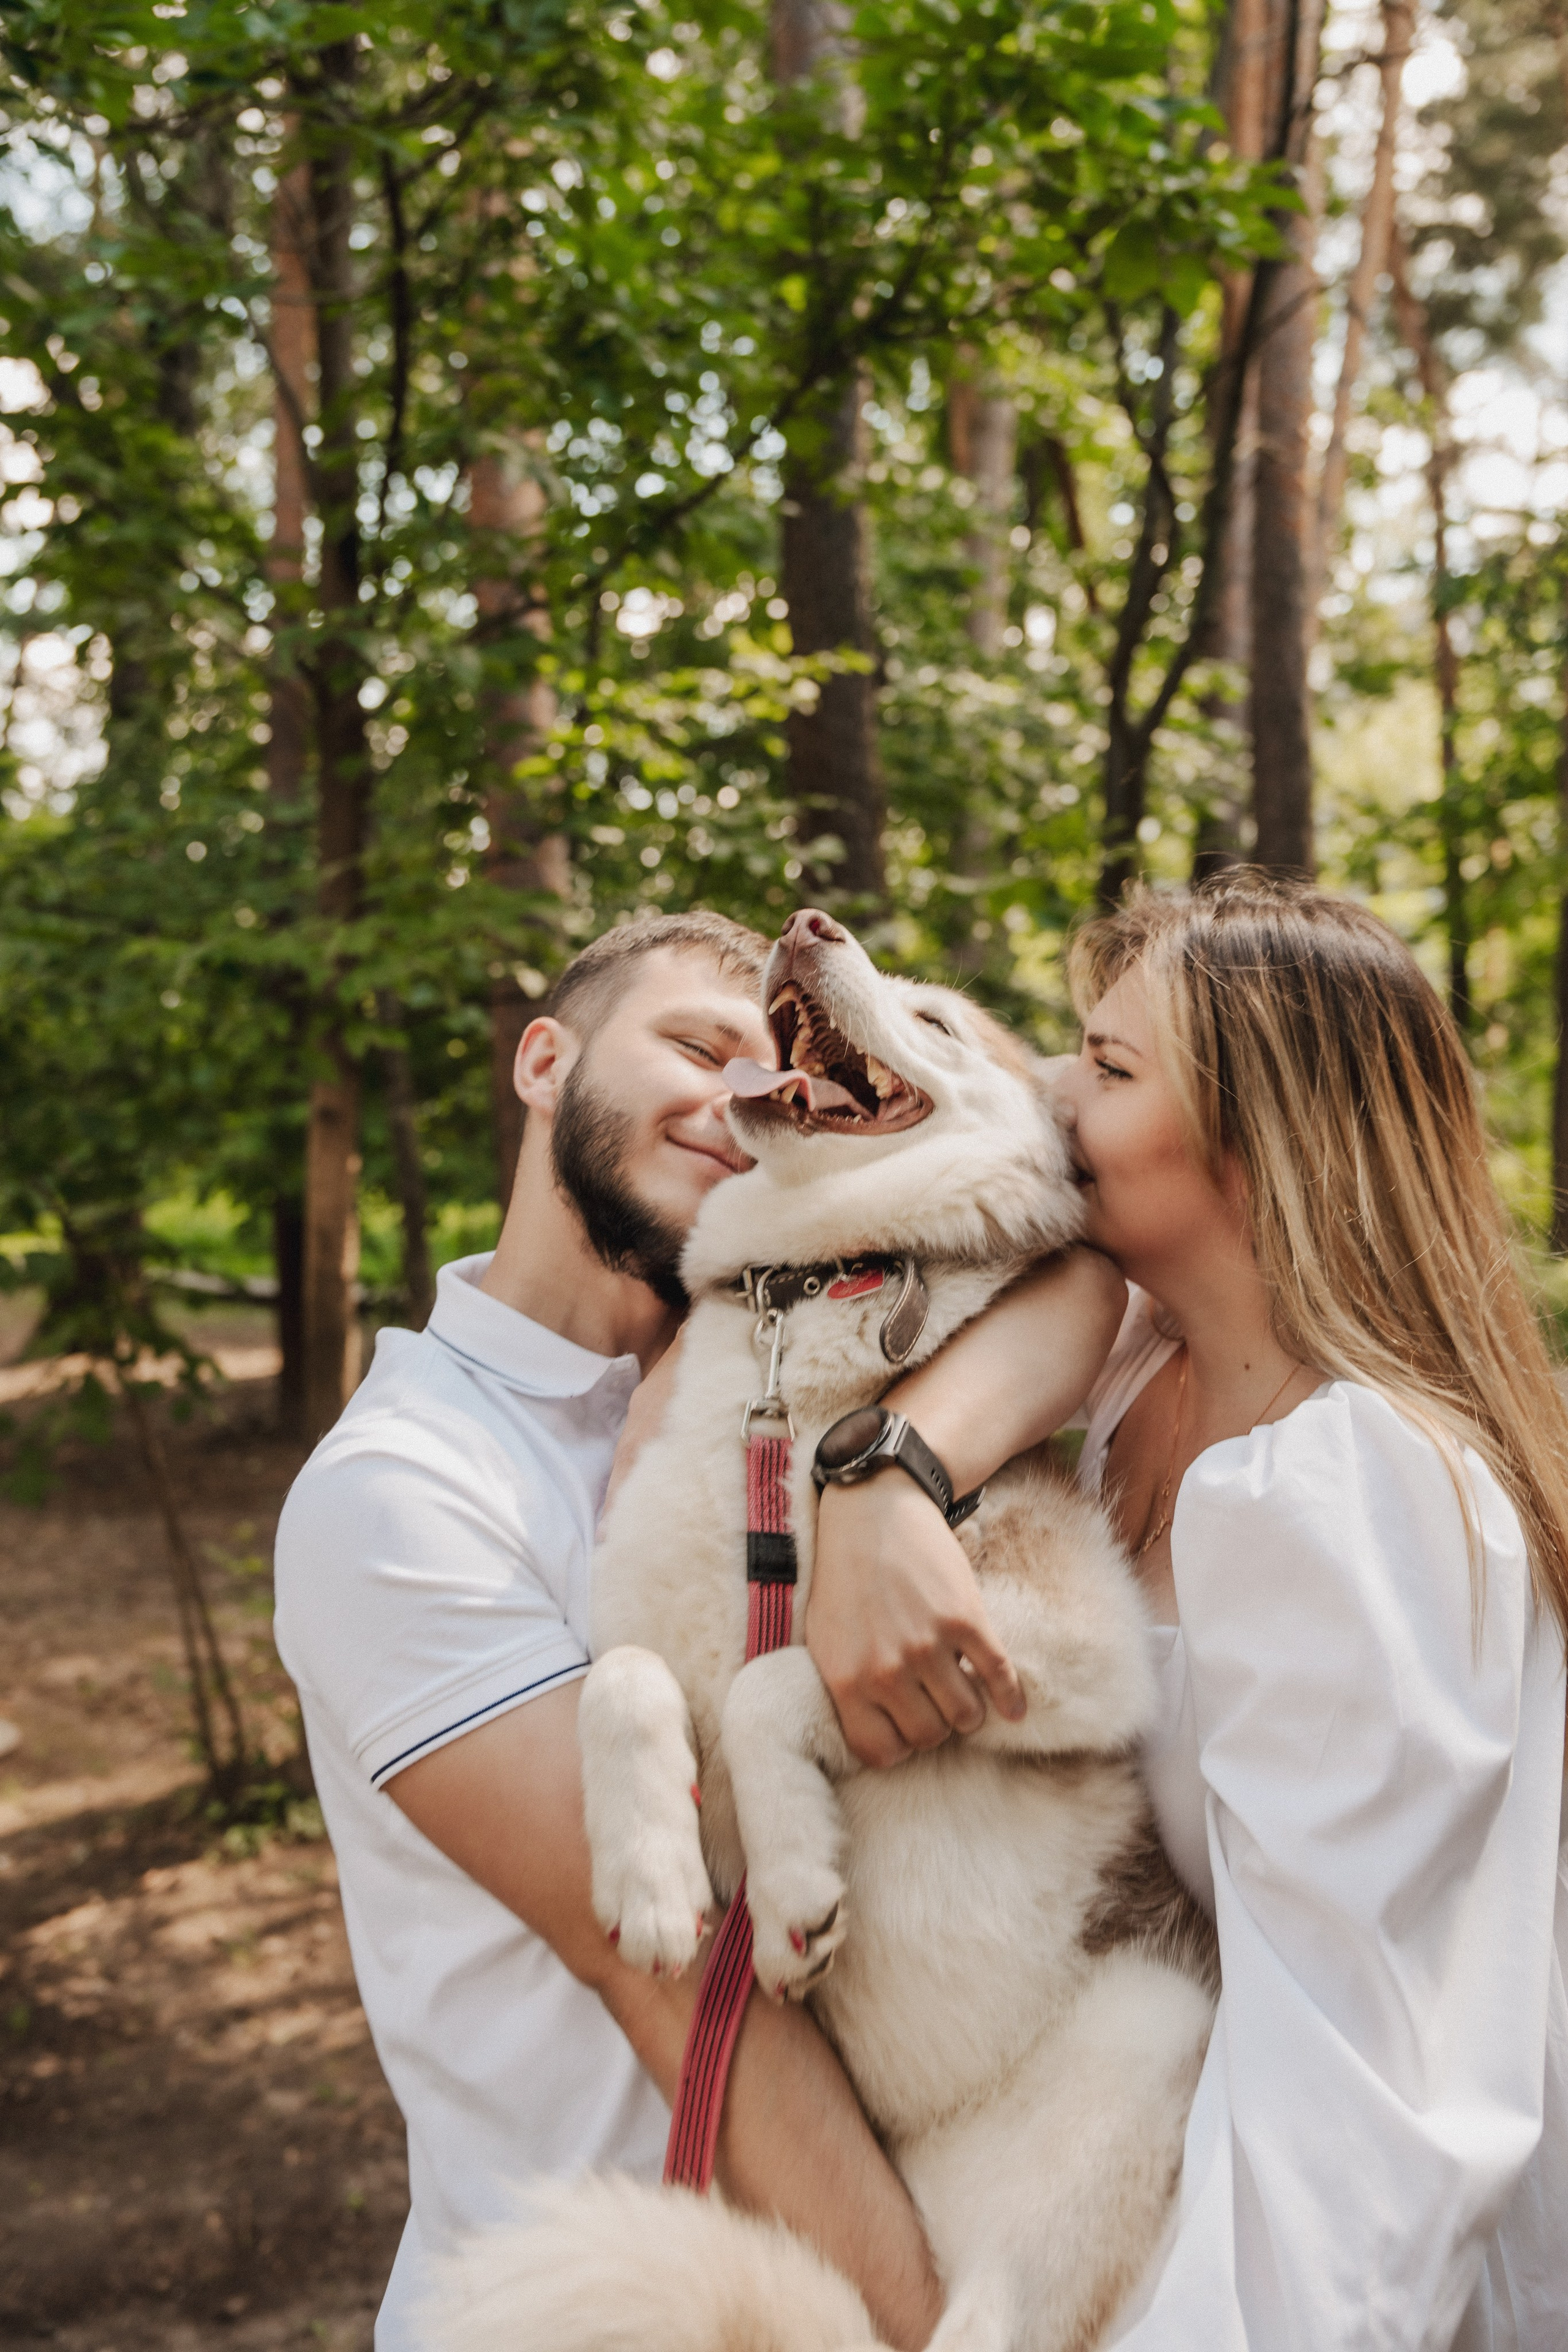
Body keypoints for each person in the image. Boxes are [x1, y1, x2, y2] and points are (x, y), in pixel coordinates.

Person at [271, 906, 1123, 2350]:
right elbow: (660, 1974)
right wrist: (921, 2326)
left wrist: (884, 1477)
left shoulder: (771, 1347)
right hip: (611, 2296)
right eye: (692, 1045)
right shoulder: (399, 1491)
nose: (744, 1094)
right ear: (543, 1062)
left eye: (770, 1060)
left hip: (828, 2261)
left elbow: (1082, 1265)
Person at [806, 876, 1568, 2346]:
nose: (1047, 1094)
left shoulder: (1352, 1489)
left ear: (1257, 1134)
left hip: (1319, 2258)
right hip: (1150, 2175)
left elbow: (1367, 2072)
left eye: (1104, 1071)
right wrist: (883, 1481)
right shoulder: (1136, 1369)